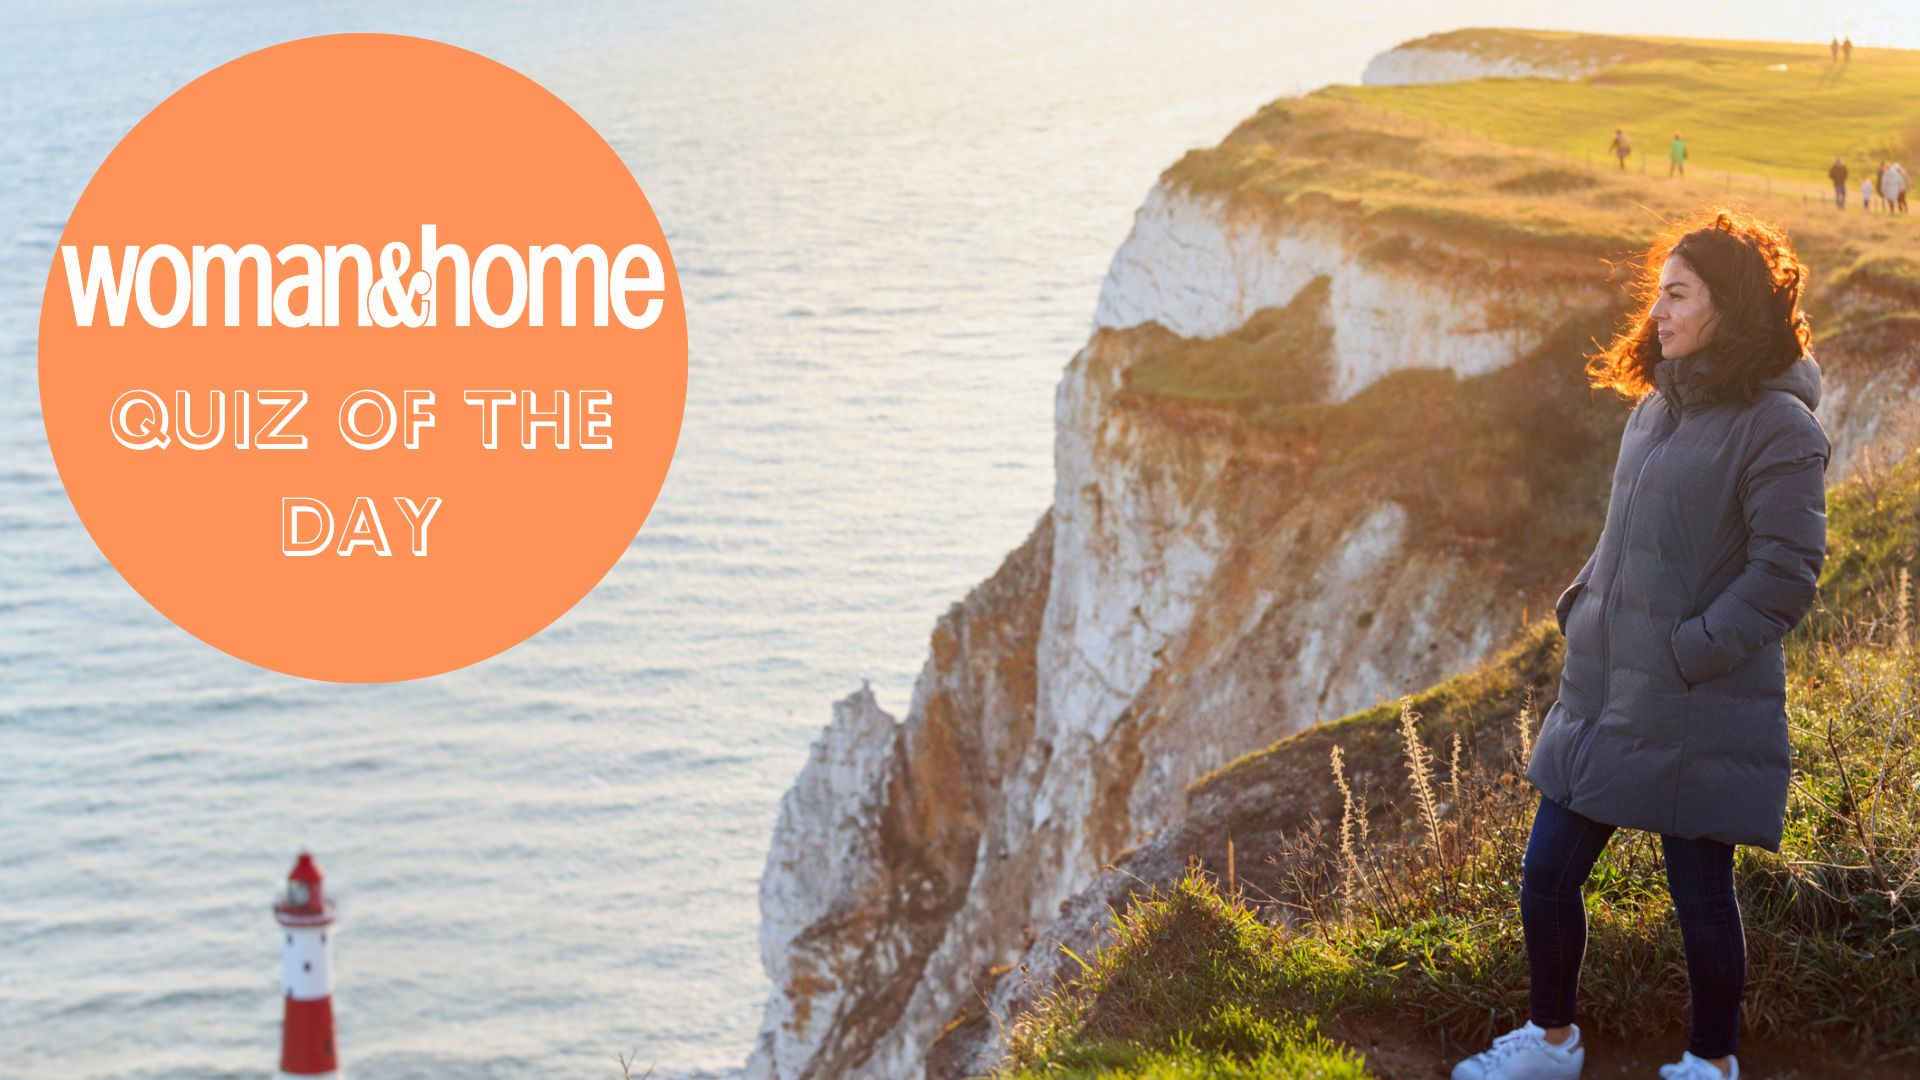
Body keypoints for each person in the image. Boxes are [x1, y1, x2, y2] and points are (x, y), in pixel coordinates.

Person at [1450, 207, 1831, 1080]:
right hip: (1605, 685)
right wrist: (1582, 604)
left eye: (1678, 294)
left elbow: (1785, 575)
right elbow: (1625, 535)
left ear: (1729, 307)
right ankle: (1552, 1045)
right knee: (1546, 874)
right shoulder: (1658, 408)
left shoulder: (1779, 426)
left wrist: (1689, 653)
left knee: (1699, 896)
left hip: (1695, 699)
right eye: (1658, 292)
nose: (1656, 311)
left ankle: (1711, 1062)